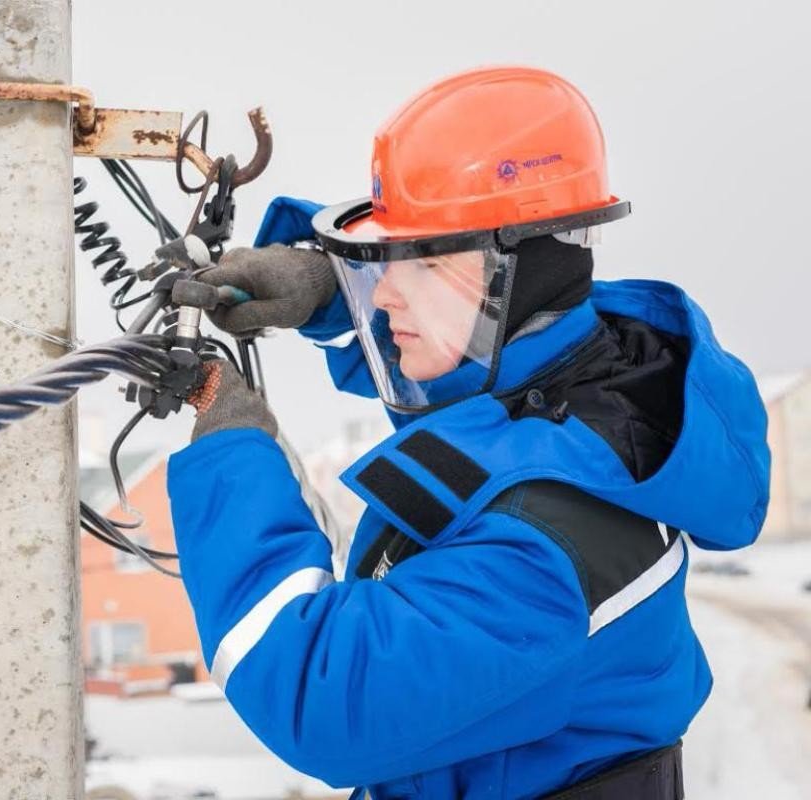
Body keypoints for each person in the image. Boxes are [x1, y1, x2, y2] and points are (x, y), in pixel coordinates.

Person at [167, 66, 770, 799]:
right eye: (382, 262)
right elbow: (468, 398)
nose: (386, 293)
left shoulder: (550, 545)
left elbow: (318, 692)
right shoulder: (586, 400)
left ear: (518, 276)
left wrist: (233, 449)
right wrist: (332, 292)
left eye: (421, 261)